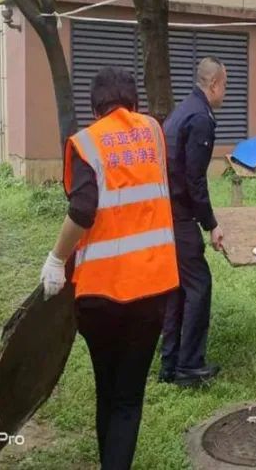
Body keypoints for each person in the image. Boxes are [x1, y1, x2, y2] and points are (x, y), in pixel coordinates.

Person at [39, 67, 178, 470]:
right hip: (151, 291)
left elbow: (82, 210)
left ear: (94, 108)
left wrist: (55, 260)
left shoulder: (87, 143)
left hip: (98, 298)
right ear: (134, 102)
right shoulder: (153, 132)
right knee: (128, 399)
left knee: (107, 388)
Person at [160, 57, 227, 387]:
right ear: (213, 84)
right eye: (224, 86)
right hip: (180, 215)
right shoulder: (200, 118)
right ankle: (189, 366)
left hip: (166, 212)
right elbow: (194, 179)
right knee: (199, 286)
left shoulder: (182, 109)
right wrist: (211, 223)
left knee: (177, 290)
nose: (225, 94)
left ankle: (170, 364)